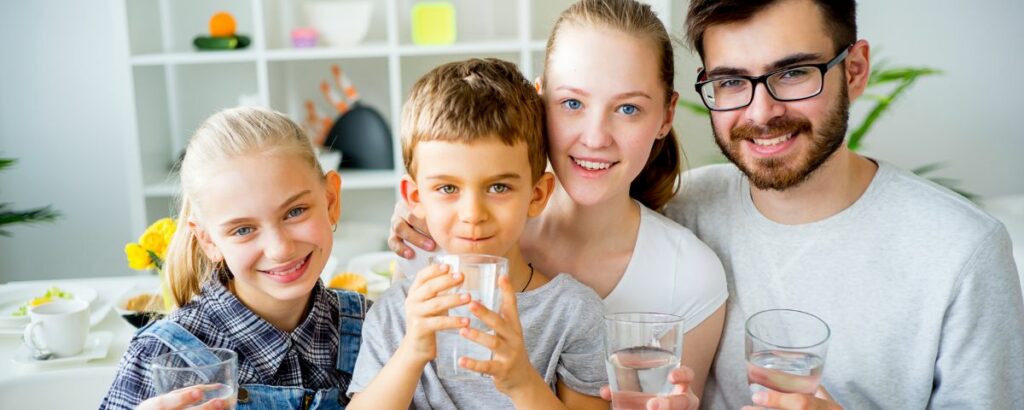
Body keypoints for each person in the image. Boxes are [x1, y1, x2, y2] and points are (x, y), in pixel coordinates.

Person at [664, 0, 1024, 408]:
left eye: (794, 73)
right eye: (730, 81)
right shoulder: (679, 211)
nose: (761, 112)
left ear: (854, 71)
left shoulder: (963, 251)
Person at [389, 1, 728, 407]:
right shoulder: (449, 238)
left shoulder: (689, 277)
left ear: (665, 115)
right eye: (572, 103)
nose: (595, 136)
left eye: (628, 108)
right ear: (539, 100)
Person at [347, 58, 608, 409]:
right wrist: (412, 351)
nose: (473, 215)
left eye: (499, 187)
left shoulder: (572, 313)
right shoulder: (396, 312)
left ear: (537, 195)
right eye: (447, 189)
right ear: (415, 198)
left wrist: (521, 381)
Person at [100, 107, 366, 410]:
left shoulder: (372, 326)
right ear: (209, 241)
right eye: (243, 230)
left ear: (331, 200)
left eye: (295, 211)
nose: (279, 248)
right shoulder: (158, 357)